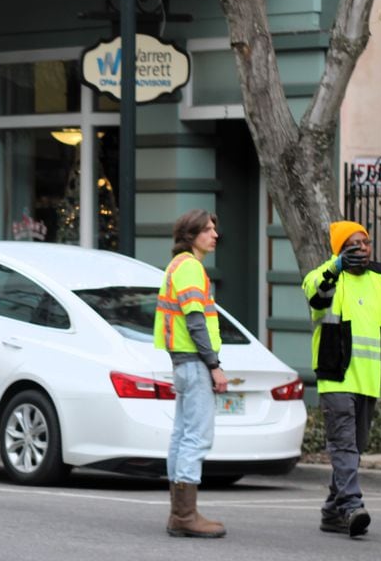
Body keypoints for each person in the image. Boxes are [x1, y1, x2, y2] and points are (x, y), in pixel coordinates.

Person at [303, 221, 381, 537]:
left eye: (365, 242)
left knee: (356, 447)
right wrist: (335, 267)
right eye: (353, 244)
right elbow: (315, 295)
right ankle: (351, 506)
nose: (362, 248)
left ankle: (331, 512)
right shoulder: (326, 276)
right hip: (336, 378)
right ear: (339, 249)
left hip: (368, 379)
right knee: (344, 445)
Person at [153, 209, 226, 538]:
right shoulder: (191, 268)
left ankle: (179, 512)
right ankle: (184, 515)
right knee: (197, 437)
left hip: (183, 362)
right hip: (195, 363)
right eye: (208, 230)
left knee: (182, 436)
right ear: (191, 235)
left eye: (214, 229)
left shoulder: (177, 266)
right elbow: (196, 321)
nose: (214, 235)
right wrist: (214, 365)